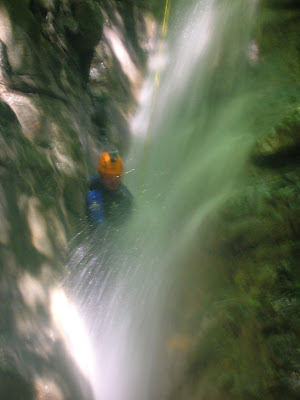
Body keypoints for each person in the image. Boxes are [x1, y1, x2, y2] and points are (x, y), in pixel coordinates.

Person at [87, 150, 133, 227]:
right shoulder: (95, 196)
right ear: (101, 177)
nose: (113, 181)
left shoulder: (125, 194)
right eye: (109, 177)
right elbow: (99, 226)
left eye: (117, 177)